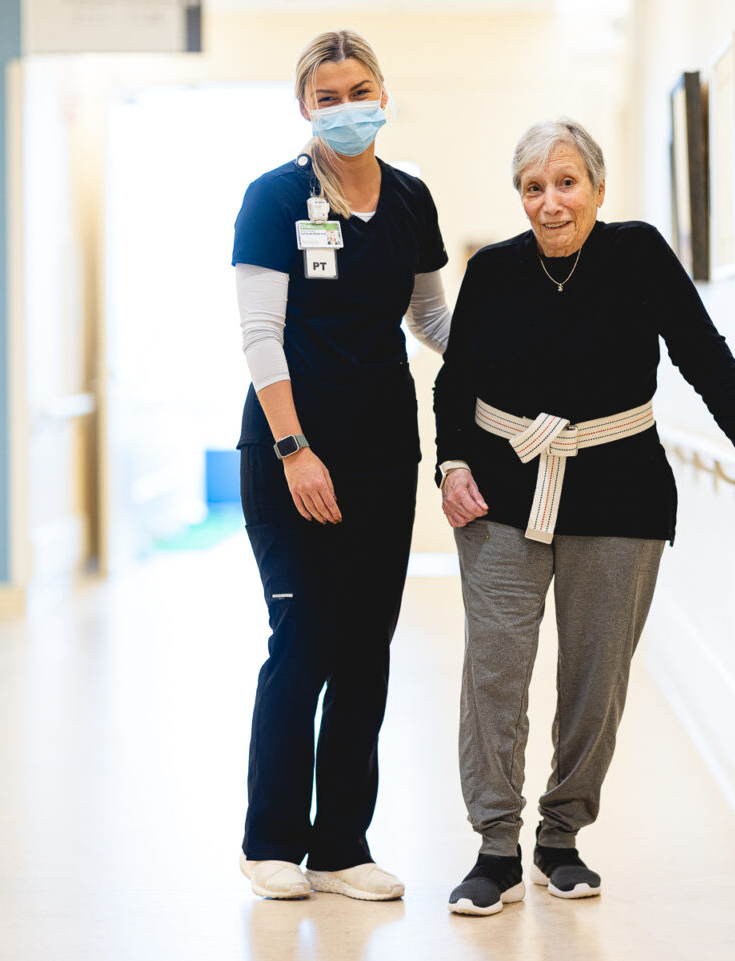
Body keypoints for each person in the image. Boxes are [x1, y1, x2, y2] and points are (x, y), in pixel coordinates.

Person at [433, 118, 735, 916]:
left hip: (620, 489)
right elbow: (456, 380)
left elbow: (701, 348)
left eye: (566, 183)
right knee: (494, 673)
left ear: (599, 188)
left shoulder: (638, 254)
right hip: (500, 488)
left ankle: (560, 836)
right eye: (533, 187)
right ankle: (495, 844)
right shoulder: (492, 269)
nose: (550, 202)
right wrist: (451, 463)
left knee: (596, 678)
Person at [232, 29, 451, 902]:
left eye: (360, 89)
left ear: (383, 91)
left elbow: (432, 321)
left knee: (367, 647)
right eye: (329, 96)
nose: (348, 105)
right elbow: (260, 335)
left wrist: (513, 358)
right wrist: (294, 448)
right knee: (306, 640)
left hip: (383, 454)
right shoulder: (275, 196)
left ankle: (343, 847)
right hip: (293, 457)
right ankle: (270, 841)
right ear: (305, 108)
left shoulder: (409, 200)